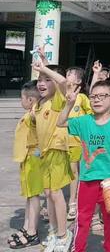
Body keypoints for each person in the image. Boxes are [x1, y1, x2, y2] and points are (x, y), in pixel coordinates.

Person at [57, 80, 110, 252]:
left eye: (102, 96)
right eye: (93, 96)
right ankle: (78, 248)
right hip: (87, 179)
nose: (96, 100)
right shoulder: (83, 121)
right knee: (83, 219)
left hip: (109, 180)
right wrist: (69, 104)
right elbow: (61, 122)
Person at [31, 61, 73, 252]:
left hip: (57, 150)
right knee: (48, 194)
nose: (42, 83)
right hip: (45, 154)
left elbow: (63, 82)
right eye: (39, 79)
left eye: (47, 80)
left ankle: (64, 235)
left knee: (56, 194)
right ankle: (54, 231)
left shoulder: (57, 99)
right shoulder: (40, 104)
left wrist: (45, 68)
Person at [8, 81, 42, 249]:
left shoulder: (35, 113)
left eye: (22, 97)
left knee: (34, 196)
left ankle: (32, 232)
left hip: (34, 159)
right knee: (29, 195)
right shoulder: (30, 112)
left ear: (30, 100)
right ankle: (27, 227)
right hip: (26, 159)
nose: (20, 101)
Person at [65, 67, 91, 222]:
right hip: (62, 142)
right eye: (66, 74)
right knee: (68, 173)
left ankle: (73, 203)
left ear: (79, 81)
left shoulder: (81, 98)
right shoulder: (60, 95)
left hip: (77, 142)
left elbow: (90, 115)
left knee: (77, 173)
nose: (66, 77)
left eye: (70, 75)